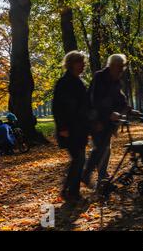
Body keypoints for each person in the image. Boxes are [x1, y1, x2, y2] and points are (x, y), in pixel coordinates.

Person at [82, 54, 142, 188]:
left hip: (107, 122)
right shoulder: (99, 77)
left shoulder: (116, 81)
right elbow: (94, 100)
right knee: (100, 148)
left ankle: (103, 178)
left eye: (122, 68)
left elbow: (120, 99)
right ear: (112, 65)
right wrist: (109, 113)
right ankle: (87, 173)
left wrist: (130, 110)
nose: (121, 71)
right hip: (95, 119)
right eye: (120, 68)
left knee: (105, 148)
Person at [52, 51, 90, 203]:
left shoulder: (78, 82)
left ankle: (68, 191)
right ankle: (71, 193)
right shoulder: (65, 82)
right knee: (78, 160)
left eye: (83, 62)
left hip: (79, 128)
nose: (82, 65)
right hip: (70, 129)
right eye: (79, 62)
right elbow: (57, 107)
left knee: (79, 160)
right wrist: (62, 128)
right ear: (71, 64)